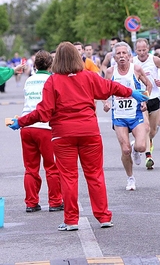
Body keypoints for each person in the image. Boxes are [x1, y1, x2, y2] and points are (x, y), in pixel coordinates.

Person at [8, 42, 149, 231]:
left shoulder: (53, 81)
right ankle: (103, 216)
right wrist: (132, 92)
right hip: (89, 132)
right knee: (95, 175)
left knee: (68, 177)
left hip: (63, 135)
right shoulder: (89, 77)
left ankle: (71, 220)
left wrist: (21, 122)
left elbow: (43, 112)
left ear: (56, 59)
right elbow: (111, 87)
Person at [16, 50, 63, 212]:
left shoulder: (29, 80)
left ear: (35, 65)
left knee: (30, 168)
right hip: (45, 127)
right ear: (51, 65)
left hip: (26, 126)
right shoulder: (52, 79)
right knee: (51, 166)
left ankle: (31, 202)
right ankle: (55, 201)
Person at [103, 41, 152, 191]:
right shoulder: (111, 72)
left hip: (136, 113)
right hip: (119, 116)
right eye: (118, 53)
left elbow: (148, 85)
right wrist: (106, 102)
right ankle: (130, 178)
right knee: (125, 150)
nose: (122, 56)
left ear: (130, 56)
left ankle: (135, 148)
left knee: (141, 146)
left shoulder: (136, 69)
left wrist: (145, 100)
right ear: (114, 57)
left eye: (124, 53)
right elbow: (103, 90)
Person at [133, 38, 160, 169]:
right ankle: (148, 156)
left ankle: (149, 141)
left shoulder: (155, 59)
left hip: (154, 97)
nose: (142, 53)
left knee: (153, 130)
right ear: (135, 50)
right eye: (139, 50)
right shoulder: (133, 62)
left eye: (144, 50)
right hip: (141, 98)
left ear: (148, 49)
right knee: (146, 127)